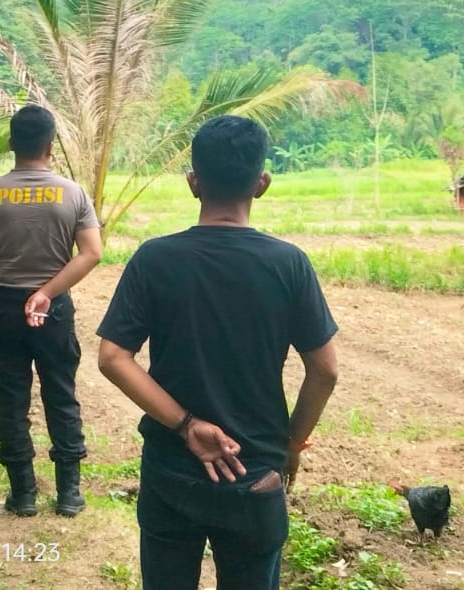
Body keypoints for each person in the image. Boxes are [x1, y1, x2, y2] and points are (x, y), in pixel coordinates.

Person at [96, 115, 340, 590]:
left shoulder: (155, 258)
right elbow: (325, 371)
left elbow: (113, 357)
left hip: (171, 472)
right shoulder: (289, 264)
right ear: (262, 184)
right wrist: (292, 445)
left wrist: (186, 425)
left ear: (194, 183)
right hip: (256, 473)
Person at [0, 104, 102, 517]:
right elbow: (91, 253)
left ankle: (23, 493)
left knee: (10, 400)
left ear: (11, 143)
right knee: (61, 394)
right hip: (52, 310)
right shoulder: (72, 193)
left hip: (2, 308)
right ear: (50, 145)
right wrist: (48, 292)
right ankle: (69, 493)